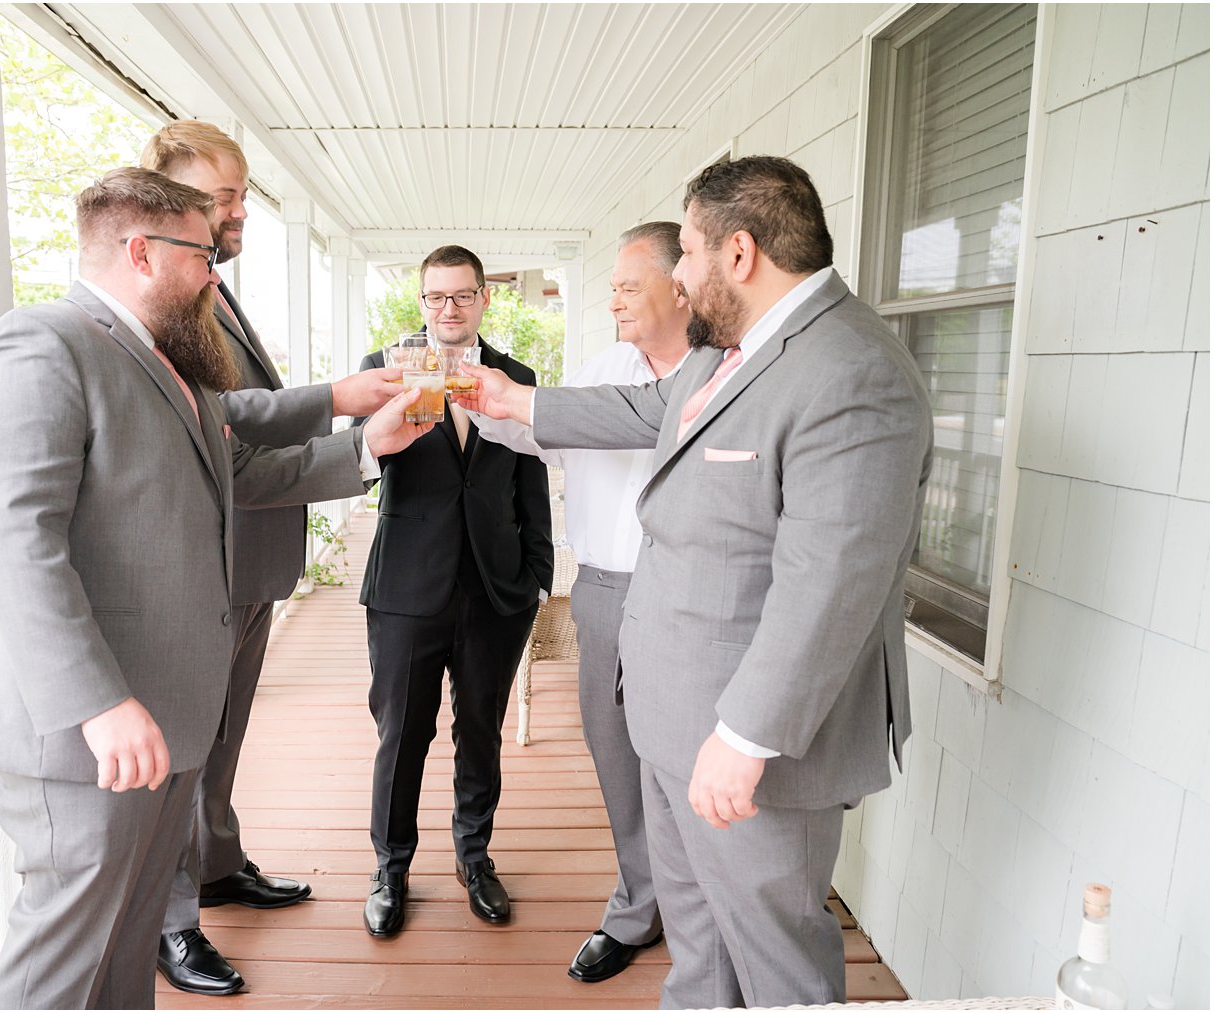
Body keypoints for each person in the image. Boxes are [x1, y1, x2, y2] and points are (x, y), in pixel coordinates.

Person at [0, 167, 433, 1010]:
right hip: (87, 733)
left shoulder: (170, 362)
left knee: (129, 938)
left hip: (168, 716)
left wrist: (367, 449)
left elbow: (238, 470)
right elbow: (14, 538)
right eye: (202, 254)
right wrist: (97, 700)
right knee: (61, 959)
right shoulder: (44, 343)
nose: (216, 272)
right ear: (140, 250)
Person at [456, 155, 932, 1008]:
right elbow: (644, 412)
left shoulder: (852, 371)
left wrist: (746, 737)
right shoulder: (735, 352)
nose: (678, 273)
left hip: (748, 742)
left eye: (688, 252)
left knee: (774, 949)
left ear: (739, 254)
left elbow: (833, 580)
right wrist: (513, 400)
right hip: (672, 716)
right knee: (699, 938)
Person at [138, 120, 404, 995]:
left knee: (223, 744)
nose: (240, 210)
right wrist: (353, 428)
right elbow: (228, 445)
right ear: (170, 205)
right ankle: (174, 923)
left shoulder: (215, 291)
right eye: (224, 197)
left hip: (249, 571)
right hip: (206, 572)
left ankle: (218, 865)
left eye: (242, 193)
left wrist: (333, 397)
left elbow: (240, 408)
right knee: (188, 753)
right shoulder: (171, 302)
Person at [466, 221, 693, 983]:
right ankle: (638, 905)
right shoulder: (604, 364)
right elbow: (548, 438)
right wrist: (481, 406)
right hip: (602, 588)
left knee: (688, 762)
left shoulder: (722, 375)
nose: (615, 300)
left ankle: (702, 914)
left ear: (681, 286)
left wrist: (519, 402)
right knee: (614, 750)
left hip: (692, 602)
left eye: (629, 286)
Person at [356, 245, 553, 938]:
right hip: (408, 586)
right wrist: (391, 423)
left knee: (482, 732)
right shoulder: (382, 371)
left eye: (462, 296)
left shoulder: (518, 377)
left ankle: (475, 855)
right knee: (401, 734)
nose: (448, 309)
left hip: (497, 588)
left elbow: (533, 484)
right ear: (420, 302)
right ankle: (392, 867)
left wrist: (537, 577)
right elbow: (358, 466)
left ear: (484, 299)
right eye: (435, 297)